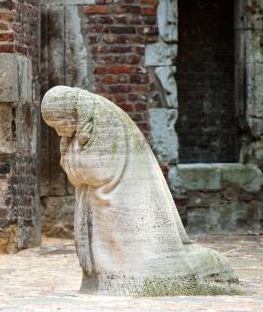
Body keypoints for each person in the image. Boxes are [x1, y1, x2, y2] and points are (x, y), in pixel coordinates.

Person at [41, 86, 241, 296]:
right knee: (107, 245)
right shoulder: (81, 124)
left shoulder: (103, 119)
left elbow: (100, 171)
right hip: (100, 197)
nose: (59, 131)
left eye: (59, 124)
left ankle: (133, 280)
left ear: (68, 113)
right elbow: (77, 173)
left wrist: (74, 161)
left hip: (121, 196)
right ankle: (112, 281)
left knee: (130, 248)